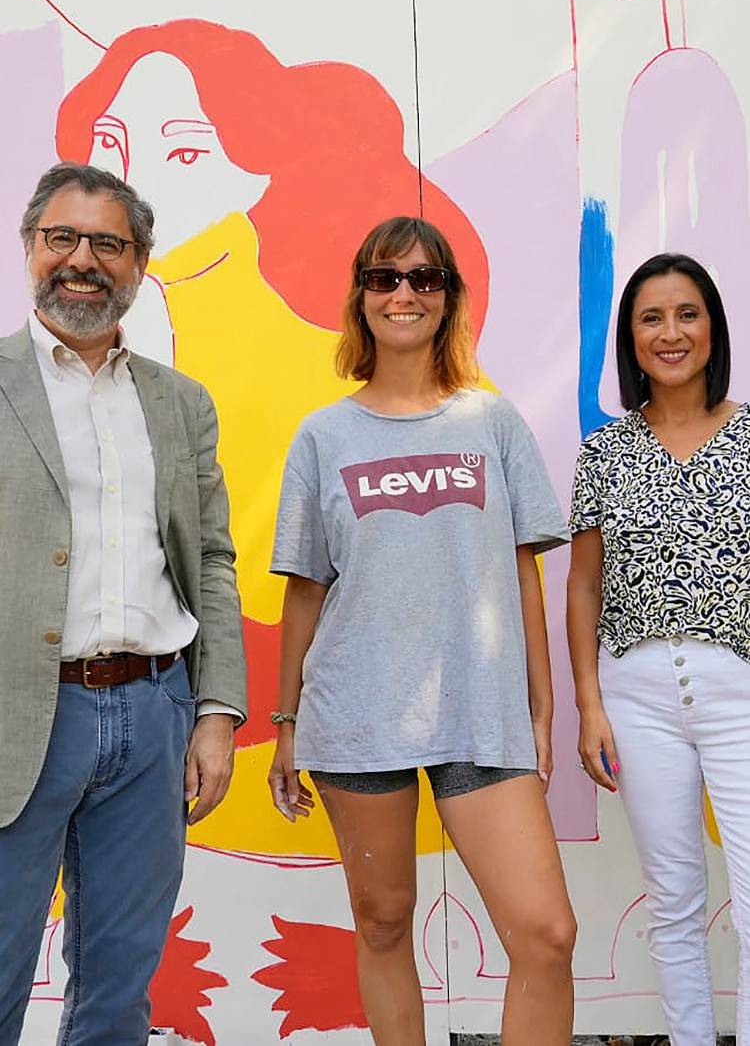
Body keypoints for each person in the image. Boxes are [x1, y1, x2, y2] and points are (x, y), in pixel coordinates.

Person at [267, 216, 576, 1045]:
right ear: (360, 296)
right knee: (384, 922)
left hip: (479, 711)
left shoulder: (492, 423)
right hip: (356, 714)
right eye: (384, 277)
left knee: (546, 936)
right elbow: (304, 592)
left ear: (448, 300)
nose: (403, 293)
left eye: (424, 278)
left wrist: (540, 710)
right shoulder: (322, 436)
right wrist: (287, 722)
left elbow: (524, 572)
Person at [0, 162, 246, 1045]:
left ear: (139, 262)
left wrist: (215, 713)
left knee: (119, 989)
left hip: (154, 718)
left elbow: (212, 560)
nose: (83, 260)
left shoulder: (180, 404)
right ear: (31, 248)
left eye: (108, 242)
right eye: (62, 237)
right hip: (18, 718)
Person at [567, 252, 750, 1045]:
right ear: (631, 339)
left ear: (713, 326)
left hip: (739, 689)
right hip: (635, 693)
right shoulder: (606, 452)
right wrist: (589, 704)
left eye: (686, 314)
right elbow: (582, 587)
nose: (670, 332)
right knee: (672, 900)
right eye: (651, 318)